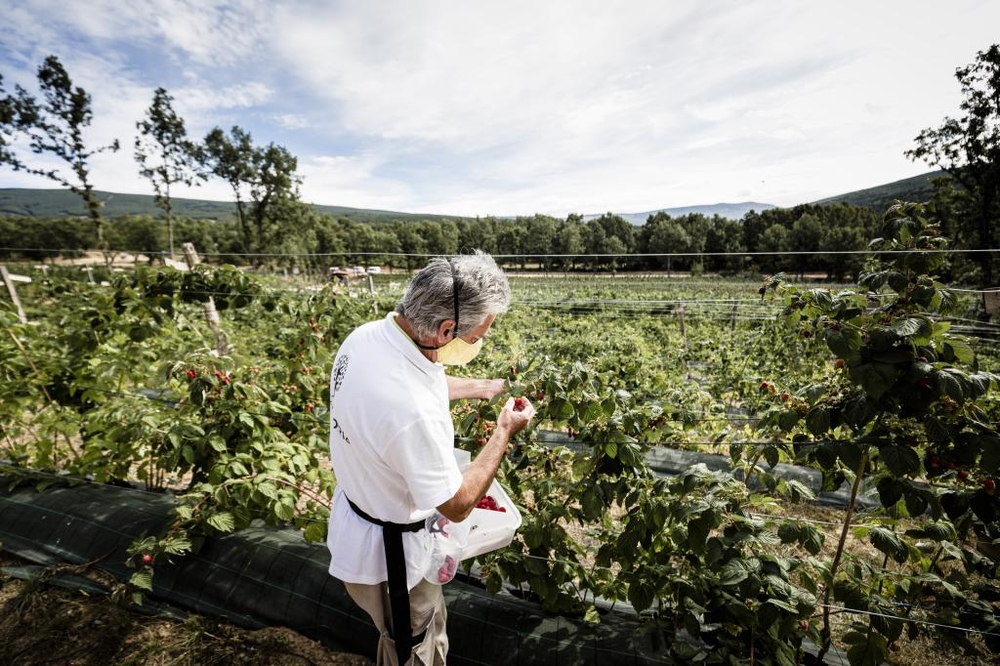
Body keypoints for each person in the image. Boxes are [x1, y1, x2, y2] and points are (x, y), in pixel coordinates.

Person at [326, 250, 535, 665]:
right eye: (477, 337)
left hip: (357, 519)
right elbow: (457, 504)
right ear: (445, 330)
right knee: (413, 646)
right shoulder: (412, 411)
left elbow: (420, 379)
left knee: (419, 630)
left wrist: (481, 385)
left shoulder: (367, 338)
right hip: (394, 566)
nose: (479, 343)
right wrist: (503, 432)